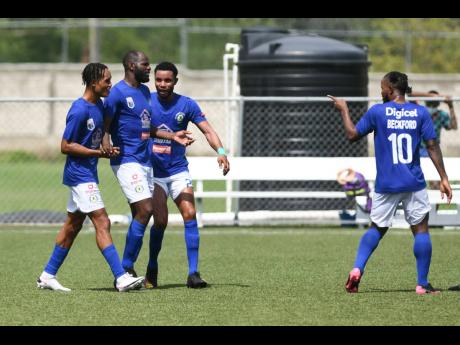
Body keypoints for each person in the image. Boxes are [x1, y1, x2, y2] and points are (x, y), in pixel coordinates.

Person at [328, 71, 452, 295]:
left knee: (376, 229)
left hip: (387, 184)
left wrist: (344, 110)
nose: (380, 91)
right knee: (421, 230)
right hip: (413, 183)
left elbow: (352, 135)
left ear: (391, 90)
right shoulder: (420, 112)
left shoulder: (378, 112)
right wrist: (443, 177)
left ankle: (357, 269)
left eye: (382, 88)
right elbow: (433, 146)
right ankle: (422, 284)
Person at [37, 63, 145, 292]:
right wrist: (97, 152)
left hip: (88, 174)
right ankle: (121, 277)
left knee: (73, 225)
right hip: (79, 175)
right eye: (106, 80)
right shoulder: (79, 110)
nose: (110, 84)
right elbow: (65, 146)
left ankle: (47, 275)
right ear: (93, 82)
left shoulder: (100, 105)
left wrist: (106, 148)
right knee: (102, 221)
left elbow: (100, 135)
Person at [101, 51, 194, 278]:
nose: (149, 69)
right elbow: (104, 123)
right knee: (147, 209)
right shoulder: (117, 93)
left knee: (140, 216)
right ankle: (125, 268)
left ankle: (129, 270)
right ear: (132, 66)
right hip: (126, 160)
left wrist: (172, 136)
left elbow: (148, 128)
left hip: (145, 161)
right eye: (145, 65)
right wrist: (105, 144)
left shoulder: (143, 91)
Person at [140, 61, 230, 289]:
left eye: (167, 80)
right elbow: (134, 131)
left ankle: (193, 273)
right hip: (154, 172)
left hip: (178, 169)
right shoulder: (146, 101)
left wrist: (220, 152)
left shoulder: (186, 104)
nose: (162, 84)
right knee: (160, 220)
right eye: (158, 79)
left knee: (190, 213)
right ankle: (152, 266)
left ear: (175, 81)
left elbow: (208, 130)